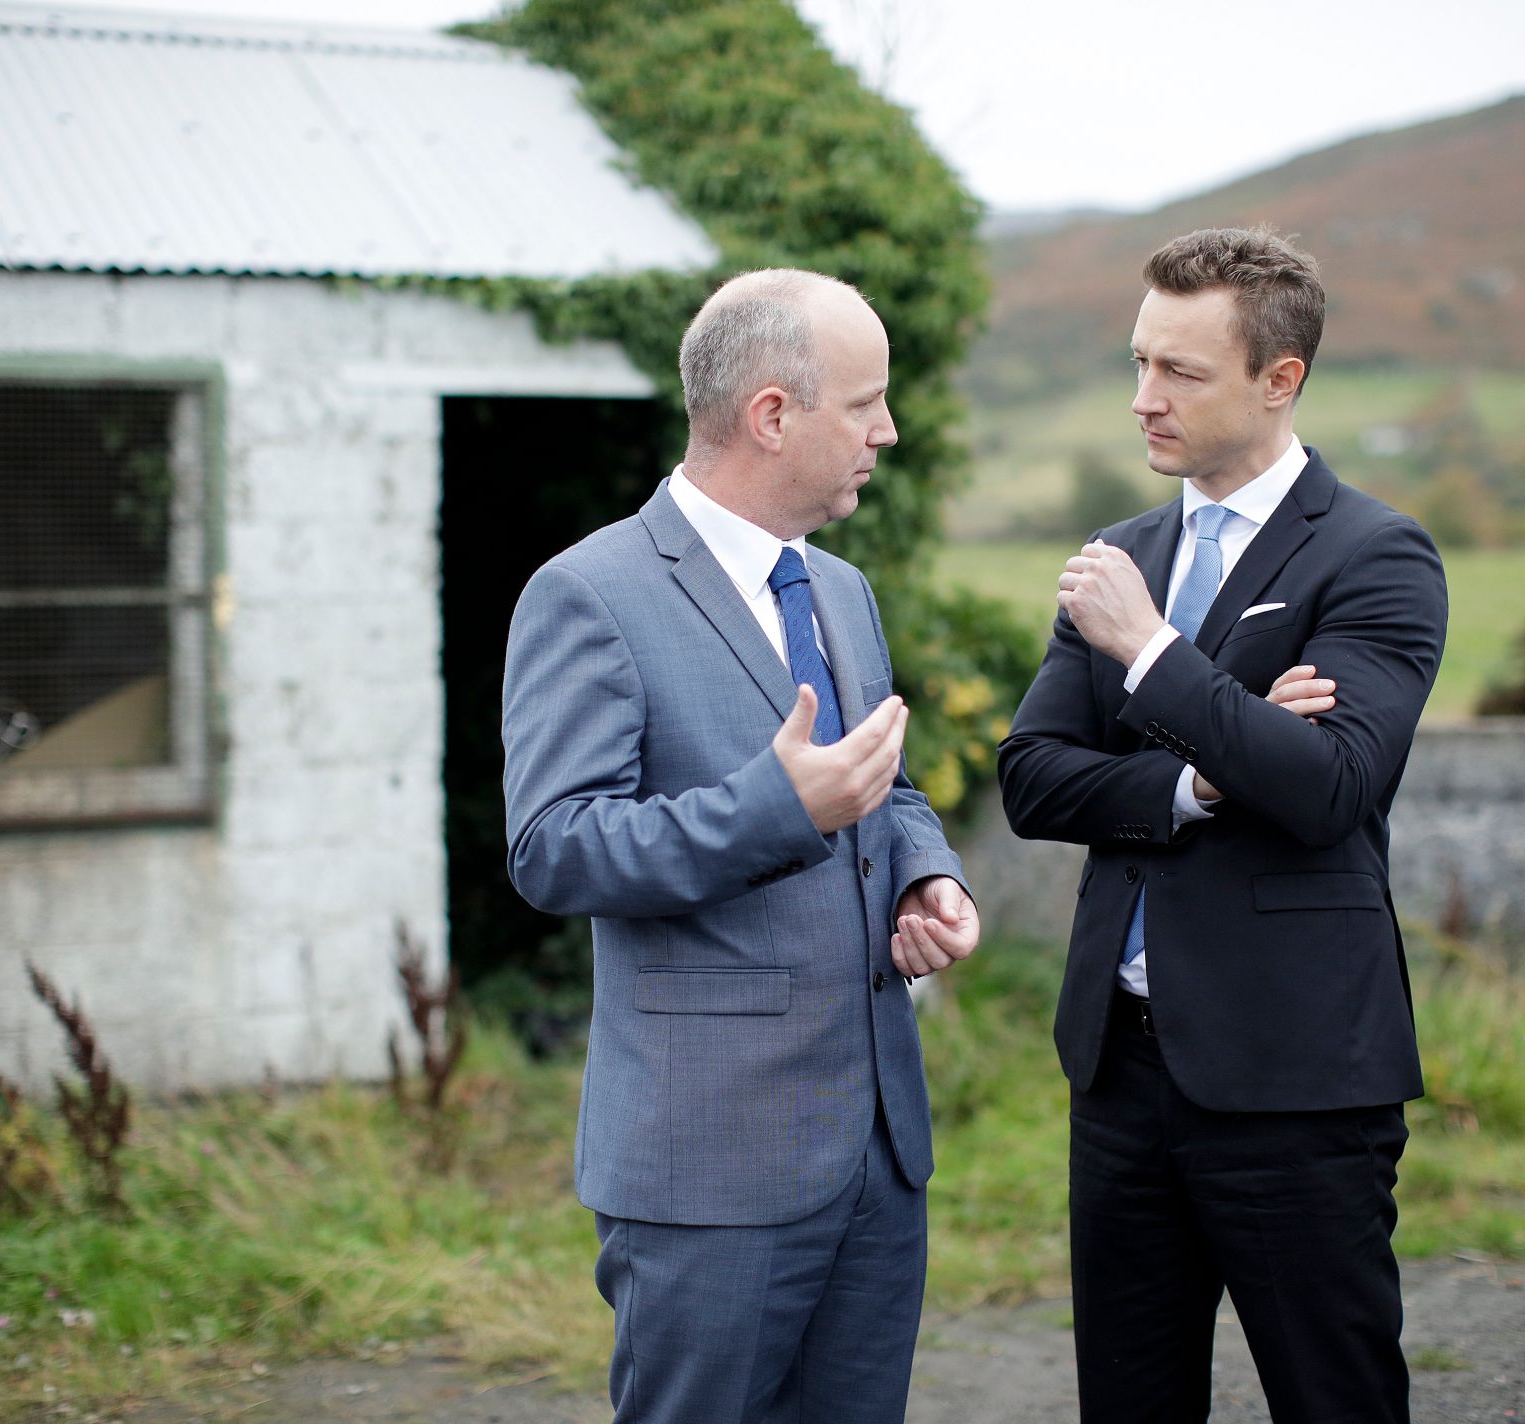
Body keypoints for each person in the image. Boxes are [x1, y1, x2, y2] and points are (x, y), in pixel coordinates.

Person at [503, 268, 979, 1424]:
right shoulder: (591, 592)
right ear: (772, 415)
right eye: (863, 403)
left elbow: (882, 784)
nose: (887, 430)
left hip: (873, 1151)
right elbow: (551, 844)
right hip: (710, 1160)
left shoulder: (842, 588)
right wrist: (776, 809)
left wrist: (924, 866)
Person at [998, 226, 1447, 1423]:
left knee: (1332, 1397)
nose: (1142, 398)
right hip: (1119, 1070)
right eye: (1138, 362)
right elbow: (1032, 779)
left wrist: (1146, 651)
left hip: (1296, 1075)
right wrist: (1206, 773)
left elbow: (1327, 786)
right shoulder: (1118, 556)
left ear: (1278, 378)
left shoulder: (1376, 554)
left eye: (1180, 372)